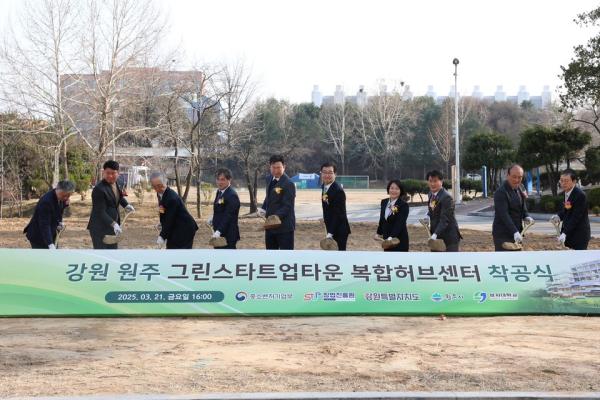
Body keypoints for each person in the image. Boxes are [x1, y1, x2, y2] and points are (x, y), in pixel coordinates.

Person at [87, 160, 135, 249]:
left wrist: (126, 205)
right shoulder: (99, 189)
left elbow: (118, 196)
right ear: (103, 172)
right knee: (102, 255)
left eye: (113, 173)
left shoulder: (116, 183)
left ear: (118, 173)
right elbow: (100, 211)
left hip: (111, 227)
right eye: (107, 173)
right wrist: (114, 224)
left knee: (113, 252)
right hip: (99, 228)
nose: (110, 176)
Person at [150, 172, 198, 249]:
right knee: (171, 249)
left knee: (179, 253)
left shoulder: (172, 198)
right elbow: (163, 210)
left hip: (185, 228)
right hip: (175, 227)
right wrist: (162, 223)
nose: (158, 189)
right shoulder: (160, 194)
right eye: (155, 187)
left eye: (160, 186)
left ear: (165, 182)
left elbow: (170, 219)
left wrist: (162, 236)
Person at [257, 154, 296, 250]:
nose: (276, 170)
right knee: (271, 255)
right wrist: (263, 208)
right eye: (273, 167)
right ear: (270, 167)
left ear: (284, 167)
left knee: (285, 256)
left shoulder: (289, 184)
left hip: (284, 227)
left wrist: (275, 217)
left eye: (278, 167)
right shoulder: (269, 179)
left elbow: (287, 206)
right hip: (270, 226)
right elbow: (269, 196)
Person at [492, 164, 533, 251]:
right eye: (514, 177)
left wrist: (527, 216)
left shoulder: (520, 187)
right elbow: (504, 215)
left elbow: (522, 206)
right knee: (505, 262)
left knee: (516, 260)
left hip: (518, 233)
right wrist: (514, 231)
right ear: (508, 175)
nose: (517, 180)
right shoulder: (501, 192)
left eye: (520, 177)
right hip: (503, 234)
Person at [23, 180, 75, 249]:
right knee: (43, 258)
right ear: (58, 190)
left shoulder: (61, 198)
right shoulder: (46, 202)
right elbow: (44, 225)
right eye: (65, 195)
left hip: (50, 233)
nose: (66, 198)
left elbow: (58, 211)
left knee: (53, 257)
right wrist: (50, 244)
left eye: (69, 196)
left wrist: (59, 222)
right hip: (39, 236)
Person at [551, 169, 590, 250]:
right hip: (568, 234)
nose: (563, 183)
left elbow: (575, 217)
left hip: (579, 236)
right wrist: (558, 216)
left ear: (574, 181)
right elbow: (566, 210)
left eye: (566, 181)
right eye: (561, 181)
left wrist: (564, 233)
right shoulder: (567, 193)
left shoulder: (580, 195)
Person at [424, 170, 461, 252]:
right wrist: (427, 214)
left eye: (435, 181)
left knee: (449, 263)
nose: (432, 184)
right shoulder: (431, 194)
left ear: (441, 182)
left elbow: (444, 219)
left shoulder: (446, 198)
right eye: (430, 181)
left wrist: (434, 235)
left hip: (449, 237)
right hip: (436, 236)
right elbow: (433, 209)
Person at [320, 162, 351, 251]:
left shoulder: (338, 191)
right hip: (331, 227)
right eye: (324, 172)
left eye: (330, 172)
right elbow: (328, 207)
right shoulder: (325, 186)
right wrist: (325, 218)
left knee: (339, 255)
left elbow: (338, 214)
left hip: (339, 229)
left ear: (335, 174)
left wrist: (330, 233)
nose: (327, 175)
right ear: (321, 173)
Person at [209, 168, 240, 249]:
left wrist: (219, 232)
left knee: (229, 260)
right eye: (218, 179)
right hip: (218, 234)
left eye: (222, 180)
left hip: (228, 235)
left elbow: (228, 216)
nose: (219, 182)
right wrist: (213, 218)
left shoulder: (232, 195)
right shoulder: (219, 192)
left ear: (229, 180)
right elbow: (220, 210)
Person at [376, 179, 409, 252]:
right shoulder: (384, 202)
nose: (394, 191)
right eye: (392, 188)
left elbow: (400, 223)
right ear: (388, 189)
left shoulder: (403, 205)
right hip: (386, 240)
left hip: (398, 240)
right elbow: (382, 219)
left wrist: (391, 237)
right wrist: (378, 233)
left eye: (397, 189)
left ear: (401, 191)